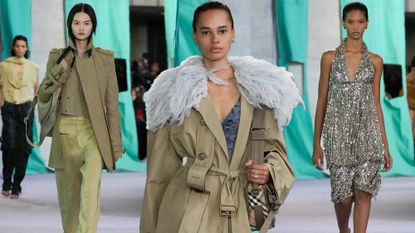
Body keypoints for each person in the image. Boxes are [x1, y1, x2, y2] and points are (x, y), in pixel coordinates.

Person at [140, 2, 301, 232]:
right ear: (195, 36)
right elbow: (157, 176)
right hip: (189, 209)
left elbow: (276, 152)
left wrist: (268, 171)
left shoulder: (259, 89)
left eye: (222, 31)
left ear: (233, 34)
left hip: (240, 208)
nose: (215, 39)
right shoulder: (173, 92)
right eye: (206, 32)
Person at [38, 3, 123, 233]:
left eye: (86, 23)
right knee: (69, 198)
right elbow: (43, 94)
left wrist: (115, 145)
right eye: (76, 23)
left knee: (90, 195)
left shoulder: (105, 59)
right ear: (70, 25)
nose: (81, 28)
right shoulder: (57, 56)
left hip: (94, 132)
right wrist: (61, 68)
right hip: (65, 131)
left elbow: (112, 105)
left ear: (93, 25)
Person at [312, 2, 393, 233]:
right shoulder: (329, 58)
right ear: (343, 23)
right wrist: (316, 143)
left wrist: (385, 147)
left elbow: (377, 104)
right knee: (343, 198)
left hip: (368, 136)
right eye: (351, 22)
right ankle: (343, 229)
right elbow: (321, 101)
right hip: (337, 136)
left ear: (367, 24)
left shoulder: (375, 61)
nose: (355, 26)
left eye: (360, 21)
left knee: (363, 192)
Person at [0, 35, 39, 199]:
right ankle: (6, 183)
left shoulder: (33, 67)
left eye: (23, 46)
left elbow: (37, 87)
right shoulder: (4, 65)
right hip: (8, 106)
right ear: (13, 47)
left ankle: (17, 185)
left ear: (27, 48)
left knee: (24, 147)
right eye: (18, 46)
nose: (20, 49)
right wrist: (1, 102)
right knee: (8, 144)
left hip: (26, 107)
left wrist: (32, 104)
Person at [406, 56, 415, 145]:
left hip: (409, 105)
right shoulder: (410, 77)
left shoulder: (408, 76)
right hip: (410, 106)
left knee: (410, 129)